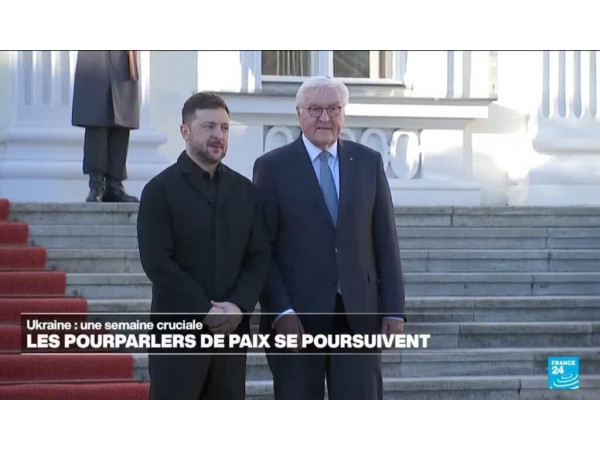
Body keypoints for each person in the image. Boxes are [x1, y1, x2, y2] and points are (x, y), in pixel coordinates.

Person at [253, 76, 406, 400]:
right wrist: (280, 311)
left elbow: (385, 241)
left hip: (358, 314)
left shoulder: (368, 162)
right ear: (299, 114)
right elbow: (262, 249)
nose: (325, 118)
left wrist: (394, 309)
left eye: (333, 109)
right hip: (297, 317)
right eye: (315, 109)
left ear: (344, 114)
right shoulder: (272, 167)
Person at [137, 92, 269, 399]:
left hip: (230, 335)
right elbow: (158, 263)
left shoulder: (245, 191)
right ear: (185, 131)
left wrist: (238, 306)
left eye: (224, 127)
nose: (218, 135)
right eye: (208, 126)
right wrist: (203, 310)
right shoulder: (159, 190)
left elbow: (259, 257)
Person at [72, 50, 140, 203]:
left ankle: (114, 185)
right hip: (96, 55)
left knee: (122, 117)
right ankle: (97, 184)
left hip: (124, 54)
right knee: (96, 117)